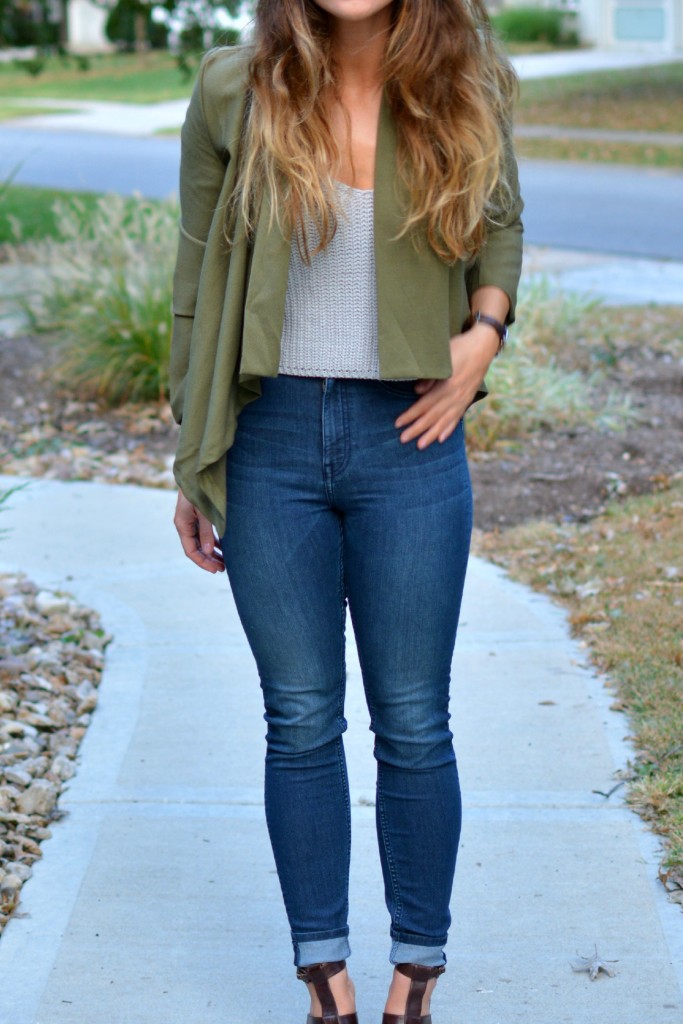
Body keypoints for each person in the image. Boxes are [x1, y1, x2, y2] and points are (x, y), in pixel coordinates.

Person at [171, 1, 523, 1021]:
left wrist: (482, 339)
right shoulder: (233, 89)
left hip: (407, 435)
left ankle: (415, 972)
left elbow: (499, 229)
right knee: (299, 721)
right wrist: (193, 460)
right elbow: (193, 280)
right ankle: (323, 976)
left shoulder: (466, 83)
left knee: (413, 722)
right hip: (269, 435)